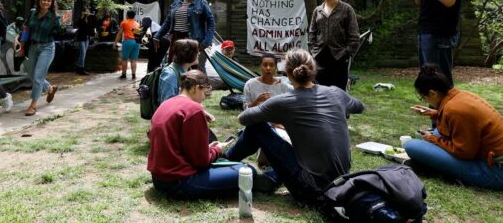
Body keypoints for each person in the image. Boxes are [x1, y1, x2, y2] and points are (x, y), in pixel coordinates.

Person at [224, 48, 365, 204]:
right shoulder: (336, 93)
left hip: (311, 190)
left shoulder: (284, 101)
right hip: (341, 183)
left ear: (287, 72)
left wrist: (264, 108)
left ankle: (225, 160)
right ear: (313, 69)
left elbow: (243, 118)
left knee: (258, 127)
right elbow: (360, 106)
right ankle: (271, 177)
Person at [404, 64, 503, 190]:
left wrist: (433, 139)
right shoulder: (461, 96)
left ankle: (435, 166)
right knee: (437, 133)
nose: (425, 101)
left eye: (423, 97)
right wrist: (434, 113)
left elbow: (464, 153)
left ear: (433, 93)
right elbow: (462, 122)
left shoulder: (455, 110)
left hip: (499, 173)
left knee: (412, 146)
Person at [147, 70, 258, 199]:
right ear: (195, 88)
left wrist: (208, 149)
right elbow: (201, 162)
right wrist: (217, 150)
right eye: (204, 93)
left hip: (158, 179)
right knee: (248, 171)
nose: (204, 98)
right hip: (180, 183)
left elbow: (181, 147)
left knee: (235, 167)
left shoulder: (166, 104)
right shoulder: (193, 109)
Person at [14, 0, 64, 116]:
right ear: (39, 1)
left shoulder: (54, 17)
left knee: (38, 76)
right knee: (31, 74)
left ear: (51, 2)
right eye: (44, 0)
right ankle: (50, 88)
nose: (46, 2)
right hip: (32, 47)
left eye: (48, 0)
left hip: (47, 48)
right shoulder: (32, 13)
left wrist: (60, 24)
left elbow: (60, 33)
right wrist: (19, 39)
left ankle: (33, 105)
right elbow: (26, 27)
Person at [308, 0, 360, 90]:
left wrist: (348, 52)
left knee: (338, 91)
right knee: (319, 90)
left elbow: (354, 35)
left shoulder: (347, 9)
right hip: (319, 56)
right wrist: (312, 51)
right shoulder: (318, 10)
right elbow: (312, 33)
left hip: (339, 56)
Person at [154, 0, 215, 71]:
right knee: (173, 67)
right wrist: (157, 36)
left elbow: (211, 22)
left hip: (192, 40)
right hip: (176, 39)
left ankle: (192, 86)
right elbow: (168, 21)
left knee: (192, 69)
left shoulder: (202, 2)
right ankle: (174, 86)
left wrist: (207, 42)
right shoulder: (177, 1)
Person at [157, 39, 200, 105]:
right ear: (189, 54)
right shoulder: (170, 75)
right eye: (196, 51)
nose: (199, 53)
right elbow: (167, 106)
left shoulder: (187, 70)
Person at [114, 10, 141, 79]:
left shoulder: (124, 22)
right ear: (134, 16)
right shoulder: (137, 24)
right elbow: (138, 35)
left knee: (124, 59)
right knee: (134, 60)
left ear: (127, 15)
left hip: (128, 41)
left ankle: (124, 74)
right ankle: (133, 75)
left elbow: (119, 34)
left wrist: (115, 43)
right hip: (136, 42)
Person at [73, 10, 94, 75]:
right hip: (81, 38)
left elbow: (91, 27)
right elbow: (76, 25)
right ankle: (81, 68)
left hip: (87, 38)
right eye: (86, 12)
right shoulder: (81, 19)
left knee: (83, 54)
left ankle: (79, 68)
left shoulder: (90, 19)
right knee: (83, 53)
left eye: (88, 12)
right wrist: (81, 17)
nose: (87, 13)